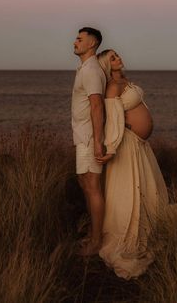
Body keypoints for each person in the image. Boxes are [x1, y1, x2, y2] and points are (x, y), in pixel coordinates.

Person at [96, 49, 169, 279]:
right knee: (130, 192)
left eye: (117, 55)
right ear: (107, 65)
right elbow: (114, 121)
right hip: (127, 146)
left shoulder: (125, 81)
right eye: (112, 58)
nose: (118, 58)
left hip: (140, 146)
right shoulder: (112, 86)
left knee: (147, 190)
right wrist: (112, 148)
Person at [71, 27, 106, 256]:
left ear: (92, 43)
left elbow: (97, 105)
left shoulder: (92, 69)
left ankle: (96, 242)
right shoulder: (85, 68)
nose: (75, 42)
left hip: (89, 137)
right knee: (85, 183)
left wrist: (97, 141)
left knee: (92, 187)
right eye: (76, 38)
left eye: (80, 39)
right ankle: (93, 234)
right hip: (82, 136)